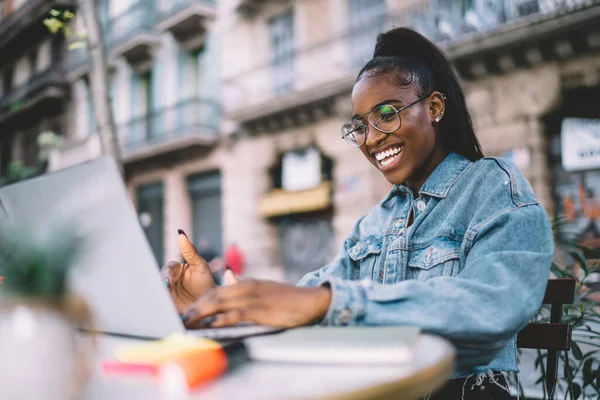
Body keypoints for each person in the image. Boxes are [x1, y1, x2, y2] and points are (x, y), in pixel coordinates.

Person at [161, 27, 553, 399]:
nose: (372, 138)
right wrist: (216, 304)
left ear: (434, 107)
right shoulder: (376, 222)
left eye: (386, 113)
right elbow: (305, 299)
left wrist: (330, 303)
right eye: (360, 126)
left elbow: (494, 303)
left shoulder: (491, 186)